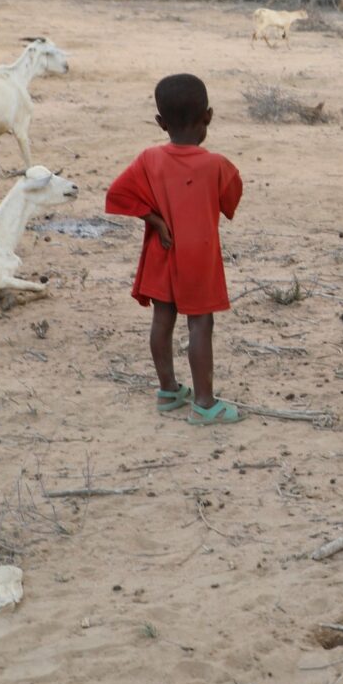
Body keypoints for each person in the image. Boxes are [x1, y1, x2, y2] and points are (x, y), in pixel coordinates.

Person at [106, 73, 244, 425]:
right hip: (198, 255)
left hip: (161, 250)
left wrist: (154, 219)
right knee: (200, 324)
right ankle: (204, 403)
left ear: (160, 122)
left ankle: (168, 390)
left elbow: (117, 194)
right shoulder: (217, 165)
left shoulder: (149, 159)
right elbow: (231, 199)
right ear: (208, 117)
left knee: (162, 318)